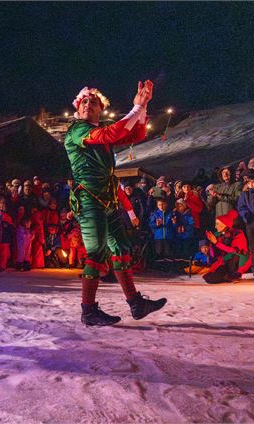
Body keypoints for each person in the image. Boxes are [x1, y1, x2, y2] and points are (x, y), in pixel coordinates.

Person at [63, 81, 166, 326]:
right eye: (84, 101)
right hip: (89, 201)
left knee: (120, 249)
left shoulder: (101, 130)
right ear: (78, 109)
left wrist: (142, 107)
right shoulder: (77, 130)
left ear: (101, 109)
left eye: (94, 102)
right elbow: (112, 134)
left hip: (107, 199)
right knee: (97, 254)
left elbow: (136, 133)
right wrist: (136, 108)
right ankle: (88, 311)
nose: (88, 104)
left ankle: (136, 304)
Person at [203, 210, 251, 283]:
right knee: (210, 278)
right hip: (225, 261)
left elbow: (235, 251)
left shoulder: (237, 234)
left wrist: (216, 243)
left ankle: (234, 275)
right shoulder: (219, 235)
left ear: (225, 224)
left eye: (217, 224)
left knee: (234, 256)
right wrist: (211, 245)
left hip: (237, 260)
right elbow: (214, 255)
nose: (215, 226)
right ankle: (226, 276)